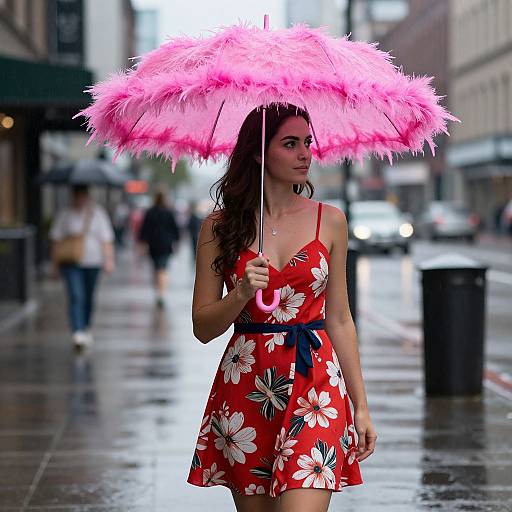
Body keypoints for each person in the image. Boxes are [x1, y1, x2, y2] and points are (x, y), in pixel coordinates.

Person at [187, 104, 376, 511]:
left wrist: (360, 406)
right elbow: (202, 326)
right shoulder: (219, 228)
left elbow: (340, 318)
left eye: (307, 142)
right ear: (259, 152)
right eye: (290, 144)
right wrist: (238, 296)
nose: (305, 153)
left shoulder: (331, 220)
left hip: (316, 385)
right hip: (248, 387)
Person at [50, 185, 115, 349]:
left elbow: (106, 239)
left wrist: (108, 260)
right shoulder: (65, 214)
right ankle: (77, 331)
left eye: (82, 196)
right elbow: (56, 240)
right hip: (71, 263)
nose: (80, 200)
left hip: (93, 263)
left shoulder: (98, 214)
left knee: (88, 297)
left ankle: (85, 327)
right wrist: (55, 264)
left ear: (87, 197)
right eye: (77, 196)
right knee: (76, 295)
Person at [138, 190, 180, 307]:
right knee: (163, 268)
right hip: (166, 244)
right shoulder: (169, 212)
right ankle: (161, 293)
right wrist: (176, 241)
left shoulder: (150, 212)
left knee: (157, 268)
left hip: (153, 244)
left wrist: (142, 243)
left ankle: (158, 292)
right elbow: (175, 229)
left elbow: (144, 229)